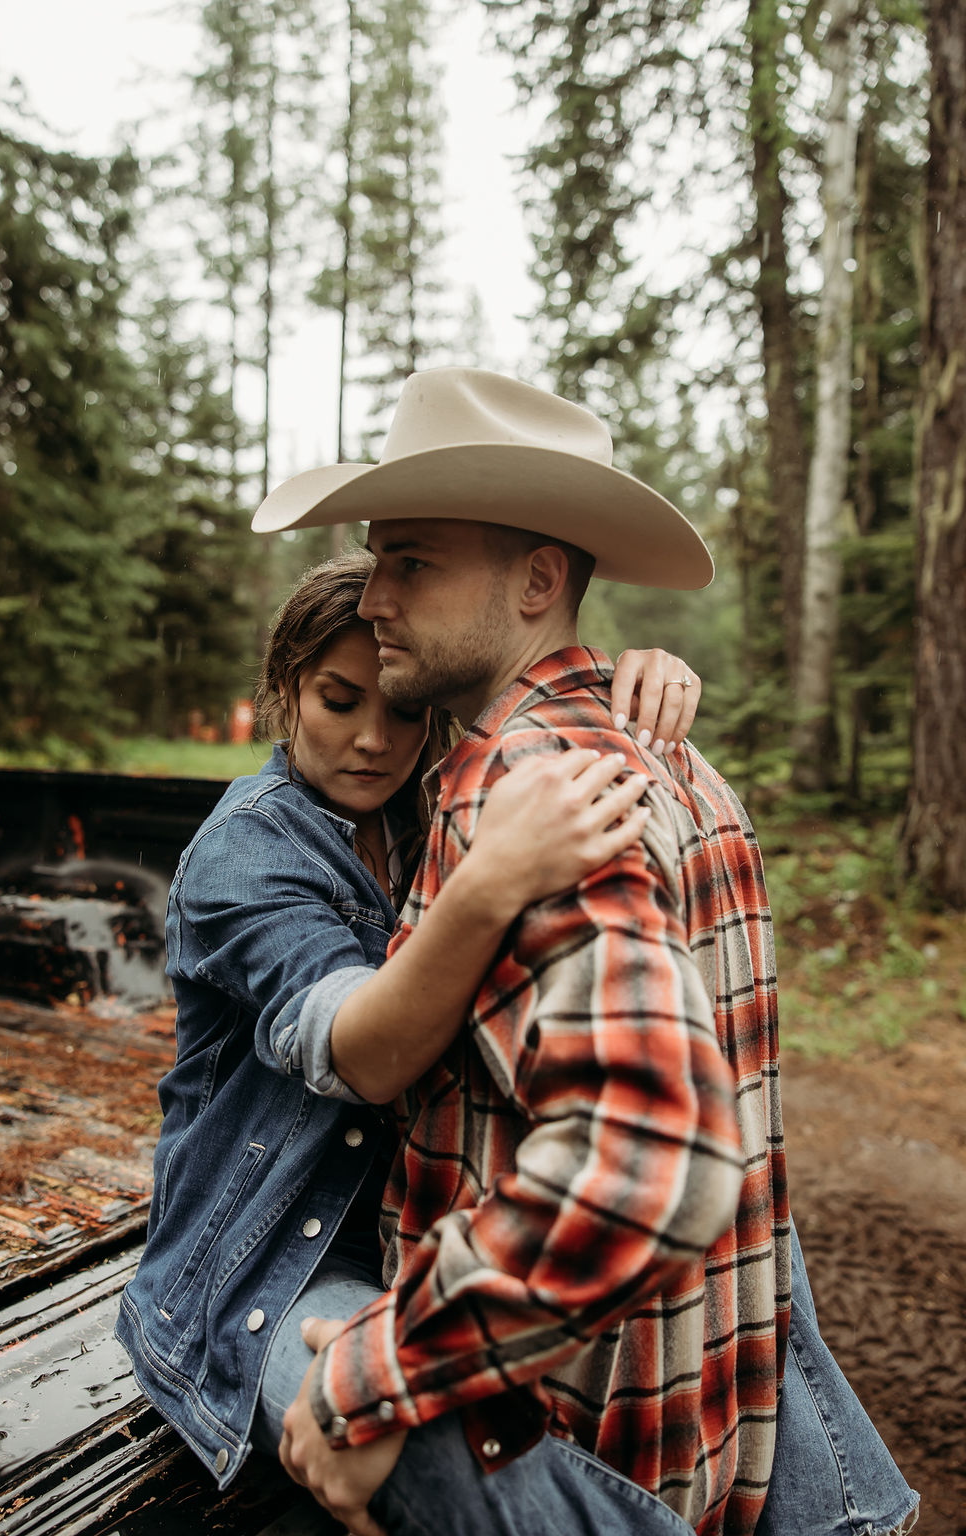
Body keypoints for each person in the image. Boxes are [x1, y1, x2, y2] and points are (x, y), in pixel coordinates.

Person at [251, 368, 920, 1536]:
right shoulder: (686, 771)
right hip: (700, 1453)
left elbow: (648, 1160)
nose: (374, 602)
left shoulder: (518, 788)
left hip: (566, 1458)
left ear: (538, 580)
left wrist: (371, 1380)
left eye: (410, 562)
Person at [115, 546, 701, 1495]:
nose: (374, 741)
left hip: (422, 1239)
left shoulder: (433, 803)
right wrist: (494, 880)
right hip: (262, 1274)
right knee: (454, 1457)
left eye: (402, 711)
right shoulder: (246, 850)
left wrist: (634, 684)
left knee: (707, 1251)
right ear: (285, 691)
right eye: (337, 702)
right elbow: (361, 1054)